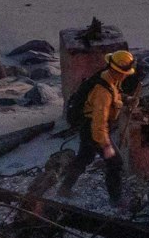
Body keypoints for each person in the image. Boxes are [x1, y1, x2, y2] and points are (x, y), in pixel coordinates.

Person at [58, 49, 135, 208]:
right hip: (94, 129)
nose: (126, 75)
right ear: (117, 71)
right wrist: (106, 145)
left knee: (84, 158)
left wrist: (126, 99)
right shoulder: (102, 92)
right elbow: (98, 124)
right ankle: (116, 199)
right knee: (115, 163)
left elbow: (116, 94)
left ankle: (64, 189)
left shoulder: (109, 78)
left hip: (89, 127)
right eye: (124, 72)